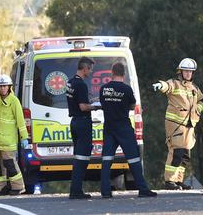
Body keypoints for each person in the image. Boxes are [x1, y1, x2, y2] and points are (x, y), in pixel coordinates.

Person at [99, 62, 156, 198]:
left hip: (109, 128)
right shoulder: (127, 89)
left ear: (112, 73)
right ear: (123, 74)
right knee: (134, 159)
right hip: (123, 128)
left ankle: (105, 191)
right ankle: (142, 189)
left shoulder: (103, 89)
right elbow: (132, 105)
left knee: (106, 160)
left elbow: (103, 104)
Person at [152, 57, 203, 190]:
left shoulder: (194, 88)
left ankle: (178, 180)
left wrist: (198, 109)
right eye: (185, 71)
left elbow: (202, 100)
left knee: (185, 155)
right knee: (176, 151)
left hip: (189, 124)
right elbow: (167, 86)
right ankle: (169, 181)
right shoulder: (175, 83)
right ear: (180, 72)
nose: (188, 73)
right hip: (175, 124)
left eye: (190, 71)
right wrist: (160, 85)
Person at [0, 75, 28, 196]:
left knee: (10, 164)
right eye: (0, 86)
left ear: (9, 87)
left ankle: (18, 187)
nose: (2, 88)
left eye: (5, 86)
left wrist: (24, 137)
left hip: (8, 140)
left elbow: (20, 121)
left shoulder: (14, 101)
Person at [66, 56, 100, 199]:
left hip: (74, 122)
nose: (91, 71)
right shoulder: (81, 85)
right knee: (82, 158)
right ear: (85, 67)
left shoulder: (70, 82)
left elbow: (76, 102)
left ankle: (76, 189)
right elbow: (83, 106)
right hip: (82, 122)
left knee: (78, 156)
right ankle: (76, 191)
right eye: (90, 68)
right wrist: (96, 107)